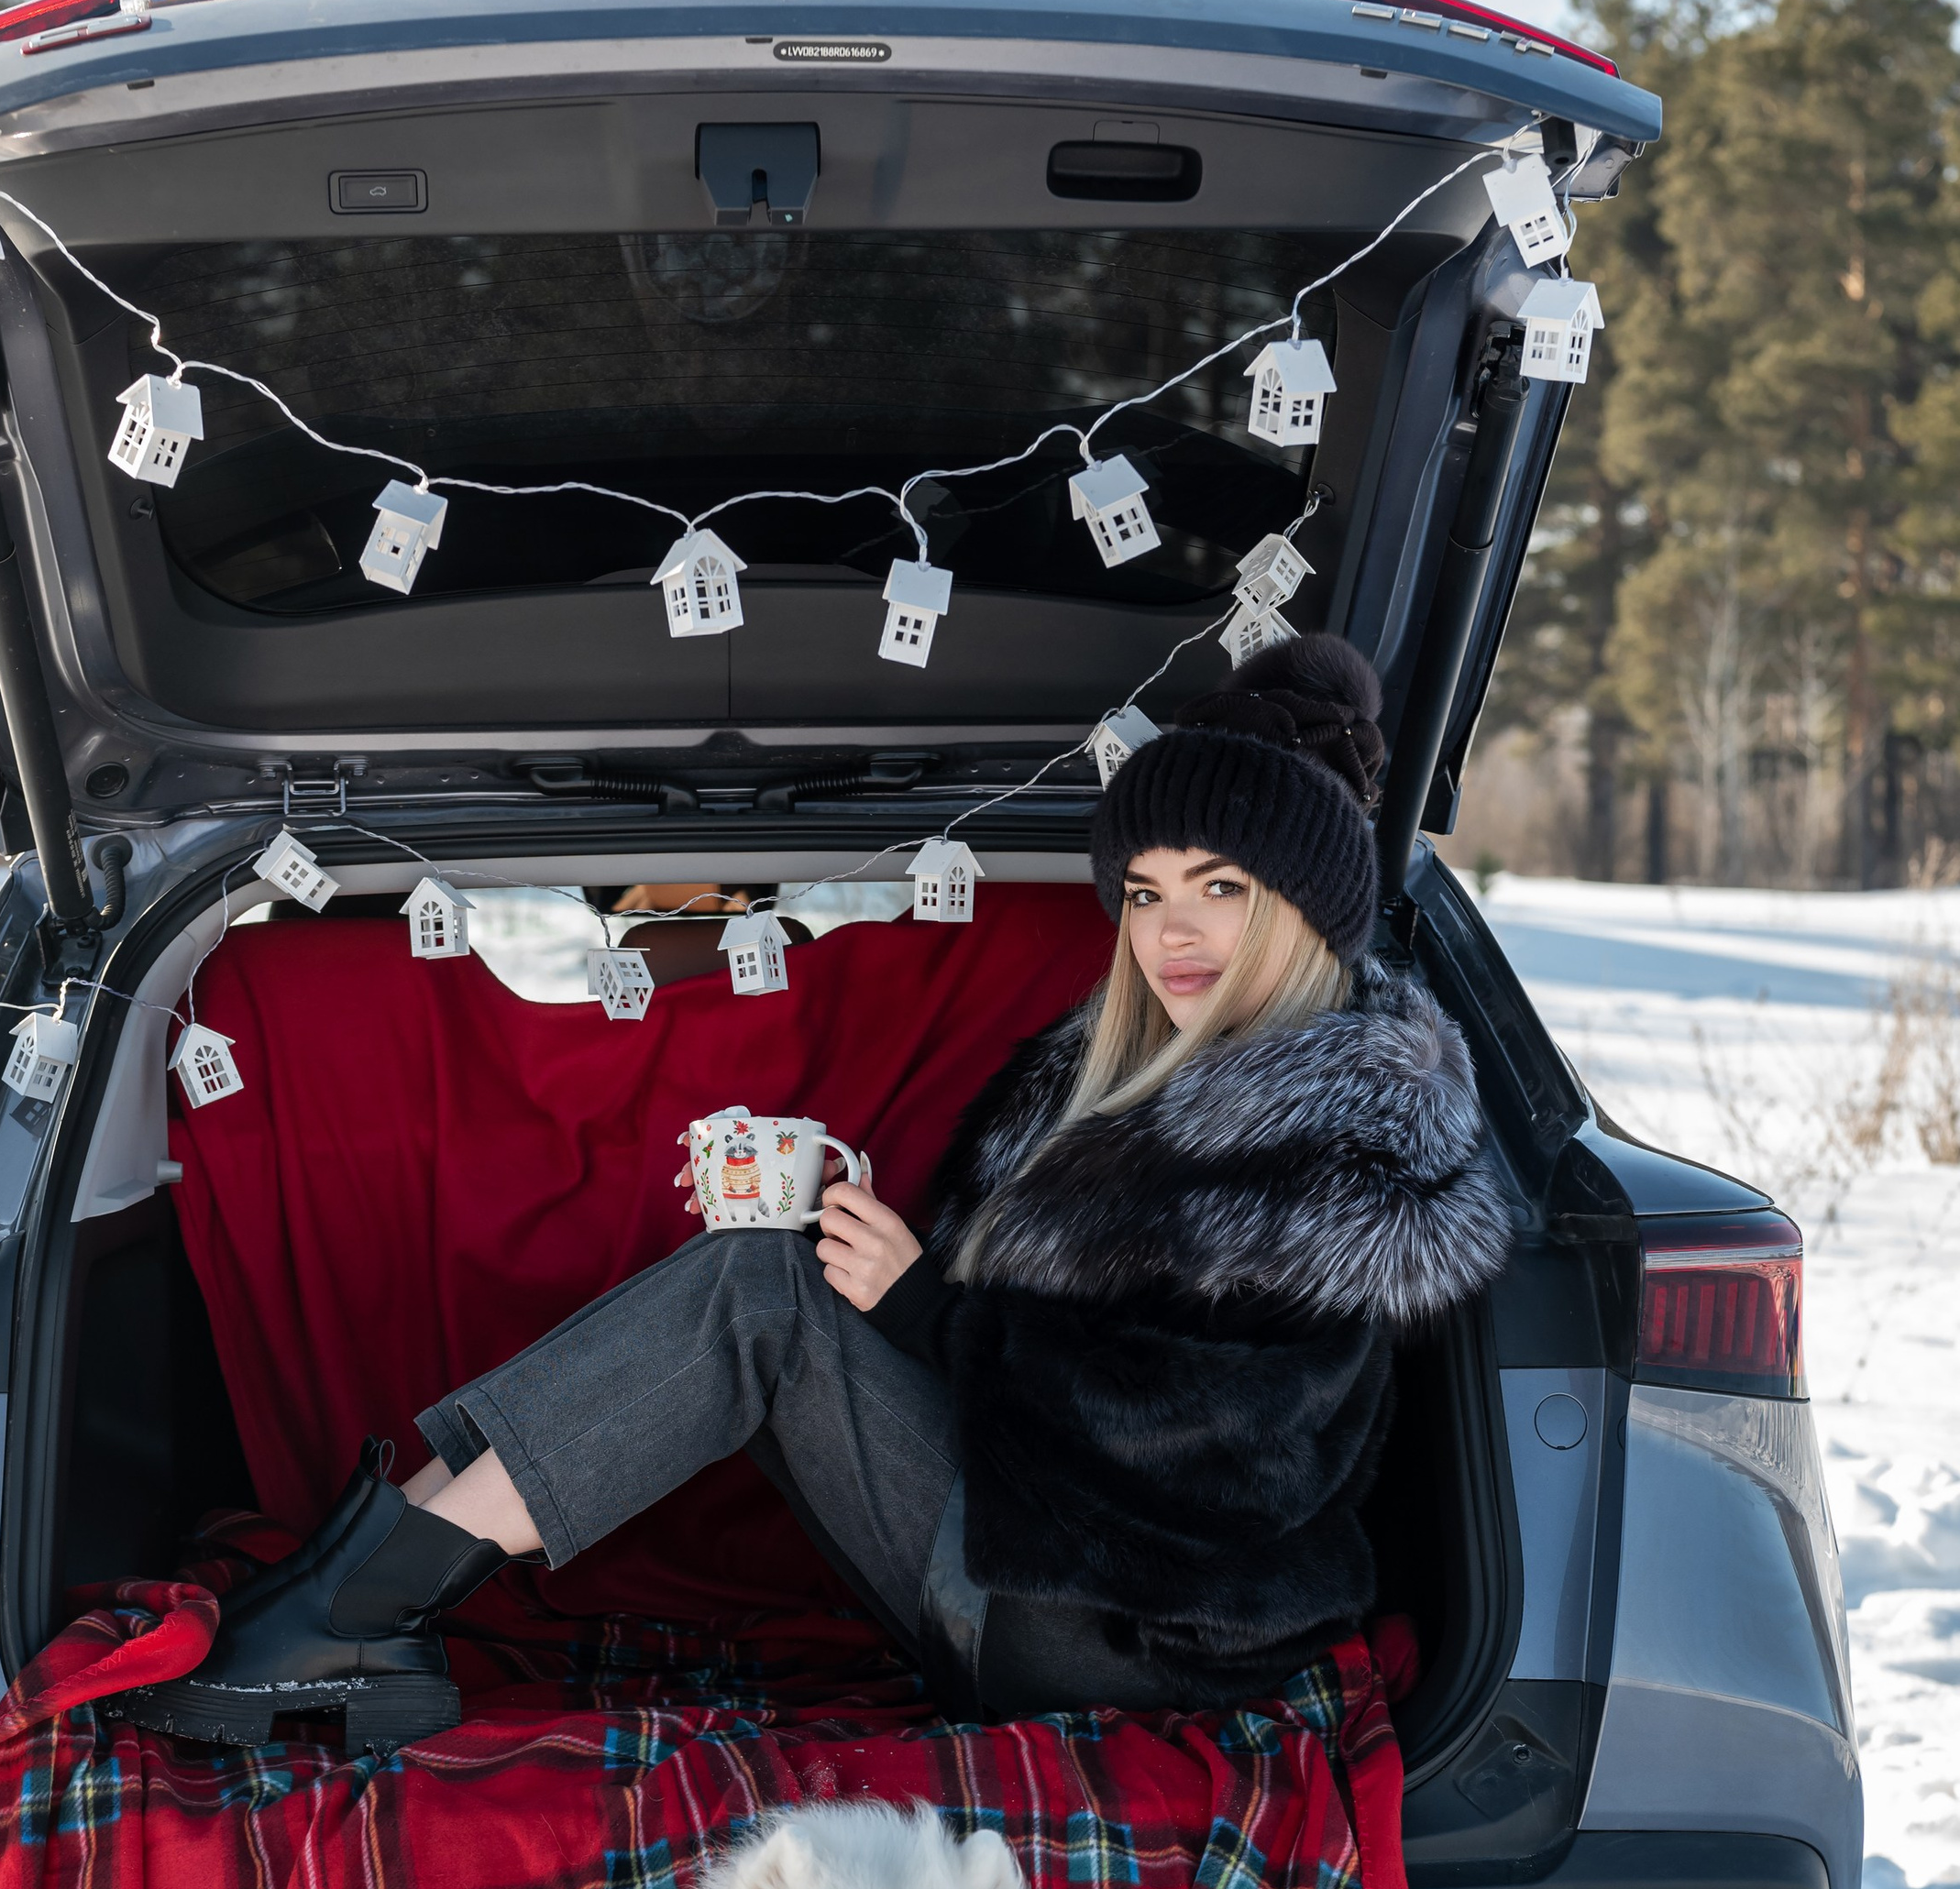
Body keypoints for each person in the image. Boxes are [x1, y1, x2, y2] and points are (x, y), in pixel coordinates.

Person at [137, 636, 1514, 1742]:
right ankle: (355, 1584)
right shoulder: (1132, 1075)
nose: (1176, 930)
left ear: (1301, 910)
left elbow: (1195, 1462)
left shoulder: (1337, 1132)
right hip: (1042, 1570)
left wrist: (919, 1310)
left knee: (756, 1294)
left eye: (1222, 886)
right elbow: (1050, 1332)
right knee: (764, 1267)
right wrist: (887, 1243)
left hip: (1142, 1644)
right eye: (1146, 892)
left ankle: (351, 1603)